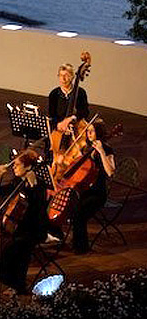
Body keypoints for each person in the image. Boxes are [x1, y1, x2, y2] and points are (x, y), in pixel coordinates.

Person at [0, 149, 49, 295]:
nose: (13, 167)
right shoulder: (17, 182)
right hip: (18, 226)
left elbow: (38, 207)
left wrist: (32, 186)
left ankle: (18, 286)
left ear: (28, 167)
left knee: (17, 246)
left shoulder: (39, 185)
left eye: (17, 165)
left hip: (34, 228)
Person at [70, 118, 115, 254]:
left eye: (91, 131)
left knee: (79, 213)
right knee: (72, 207)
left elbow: (110, 172)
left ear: (98, 133)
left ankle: (81, 247)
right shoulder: (89, 148)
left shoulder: (106, 149)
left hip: (98, 194)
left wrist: (101, 152)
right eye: (87, 131)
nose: (88, 134)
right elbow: (80, 161)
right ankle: (75, 242)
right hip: (85, 190)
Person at [48, 63, 90, 133]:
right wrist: (59, 125)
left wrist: (71, 119)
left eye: (66, 75)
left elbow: (85, 112)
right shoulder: (54, 94)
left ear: (72, 77)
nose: (63, 79)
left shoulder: (80, 92)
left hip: (75, 130)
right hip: (59, 130)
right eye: (61, 75)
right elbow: (52, 115)